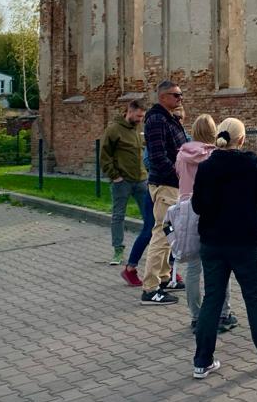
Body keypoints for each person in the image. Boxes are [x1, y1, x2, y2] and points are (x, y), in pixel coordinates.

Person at [192, 118, 257, 378]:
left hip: (213, 241)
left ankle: (202, 361)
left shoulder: (206, 167)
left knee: (212, 298)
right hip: (246, 241)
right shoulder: (251, 163)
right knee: (255, 298)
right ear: (242, 140)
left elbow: (198, 205)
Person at [176, 114, 237, 334]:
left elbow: (178, 178)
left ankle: (196, 315)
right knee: (220, 265)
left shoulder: (182, 155)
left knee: (193, 267)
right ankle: (223, 313)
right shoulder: (214, 156)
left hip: (187, 210)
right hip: (211, 210)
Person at [140, 80, 188, 305]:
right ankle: (150, 288)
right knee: (161, 233)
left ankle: (165, 277)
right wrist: (178, 174)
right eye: (176, 95)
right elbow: (158, 157)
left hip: (173, 184)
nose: (180, 99)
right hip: (166, 185)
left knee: (170, 232)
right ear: (163, 97)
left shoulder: (169, 118)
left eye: (180, 95)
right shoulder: (157, 120)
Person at [101, 100, 149, 267]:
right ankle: (118, 249)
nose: (140, 119)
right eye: (138, 116)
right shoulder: (113, 129)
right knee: (118, 216)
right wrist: (115, 176)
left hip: (141, 180)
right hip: (122, 181)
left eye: (142, 117)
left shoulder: (138, 128)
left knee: (150, 217)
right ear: (129, 111)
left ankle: (151, 248)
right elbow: (104, 155)